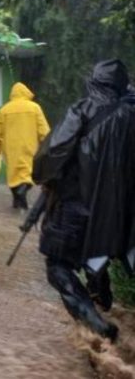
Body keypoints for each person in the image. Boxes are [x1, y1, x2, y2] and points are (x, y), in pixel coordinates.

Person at [32, 59, 135, 342]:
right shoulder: (132, 115)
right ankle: (104, 299)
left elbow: (51, 153)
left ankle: (93, 319)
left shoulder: (82, 109)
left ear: (94, 82)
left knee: (57, 266)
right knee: (96, 257)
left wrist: (42, 177)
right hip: (116, 216)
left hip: (73, 207)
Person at [0, 83, 50, 210]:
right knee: (27, 174)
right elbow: (43, 130)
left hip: (11, 149)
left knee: (13, 176)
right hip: (29, 146)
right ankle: (22, 192)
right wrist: (48, 145)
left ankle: (17, 202)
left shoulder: (4, 110)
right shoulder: (35, 108)